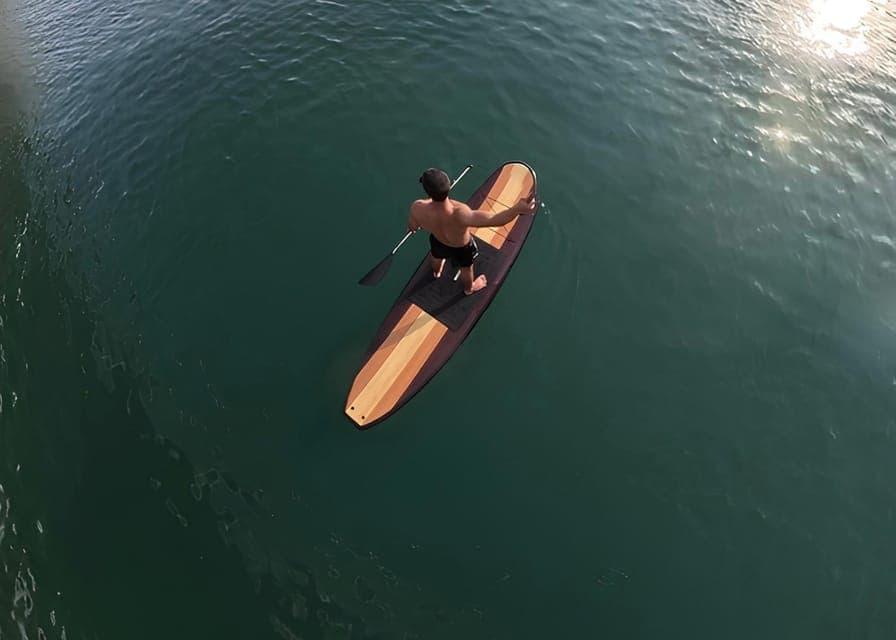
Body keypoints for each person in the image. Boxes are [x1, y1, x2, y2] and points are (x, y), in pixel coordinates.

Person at [408, 168, 536, 295]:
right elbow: (496, 220)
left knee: (436, 256)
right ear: (450, 185)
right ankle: (469, 289)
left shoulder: (417, 207)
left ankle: (436, 272)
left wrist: (416, 225)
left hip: (437, 241)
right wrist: (517, 209)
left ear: (427, 192)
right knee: (466, 268)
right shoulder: (460, 213)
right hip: (461, 248)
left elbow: (413, 227)